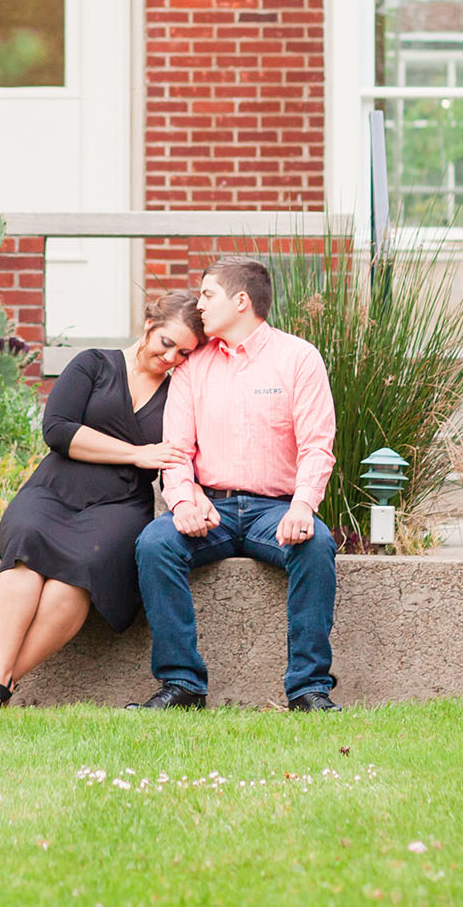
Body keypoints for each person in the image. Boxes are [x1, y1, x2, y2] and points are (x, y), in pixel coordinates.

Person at [0, 292, 216, 710]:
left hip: (120, 506)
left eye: (184, 353)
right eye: (166, 343)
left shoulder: (179, 392)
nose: (171, 358)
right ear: (148, 325)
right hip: (55, 490)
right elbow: (57, 429)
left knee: (80, 572)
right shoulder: (94, 364)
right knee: (26, 547)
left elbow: (182, 457)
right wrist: (137, 453)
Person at [130, 256, 340, 712]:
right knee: (154, 543)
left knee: (317, 546)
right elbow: (177, 450)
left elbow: (317, 445)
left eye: (208, 295)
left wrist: (303, 506)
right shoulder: (192, 366)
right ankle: (182, 684)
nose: (199, 306)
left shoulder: (299, 359)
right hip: (213, 510)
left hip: (276, 511)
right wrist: (183, 500)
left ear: (241, 301)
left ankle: (308, 688)